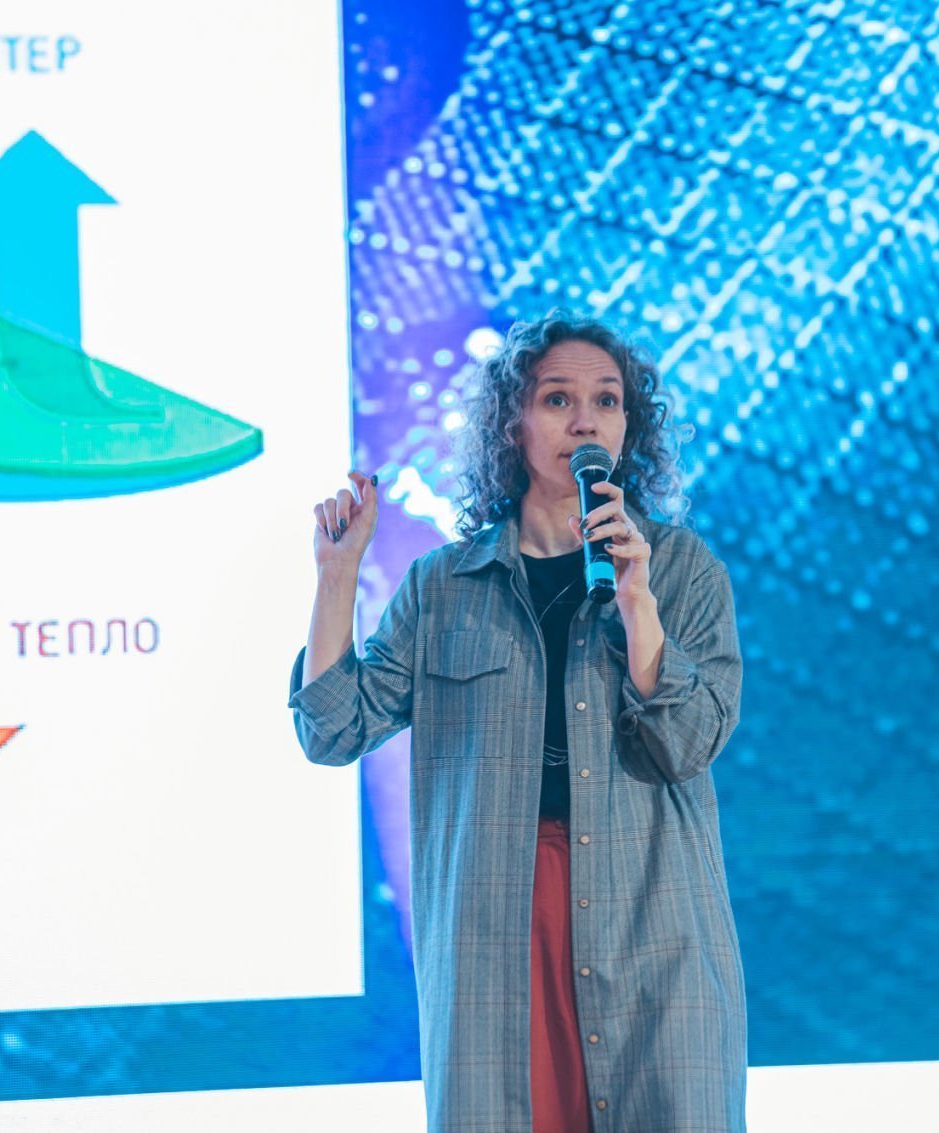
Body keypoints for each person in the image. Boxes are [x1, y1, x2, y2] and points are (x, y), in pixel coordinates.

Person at [288, 310, 746, 1132]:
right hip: (497, 920)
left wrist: (638, 606)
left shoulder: (680, 569)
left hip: (651, 914)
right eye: (557, 398)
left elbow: (689, 741)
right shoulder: (444, 586)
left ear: (628, 425)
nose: (584, 421)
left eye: (606, 401)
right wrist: (336, 578)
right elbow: (332, 729)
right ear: (514, 422)